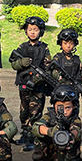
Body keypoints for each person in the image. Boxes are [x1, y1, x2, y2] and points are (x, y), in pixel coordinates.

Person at [9, 16, 51, 152]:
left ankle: (33, 137)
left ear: (41, 31)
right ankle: (25, 134)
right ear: (26, 31)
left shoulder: (44, 48)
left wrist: (37, 79)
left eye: (36, 29)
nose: (33, 32)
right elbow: (13, 63)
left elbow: (47, 68)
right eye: (30, 29)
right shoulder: (22, 47)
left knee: (35, 112)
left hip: (38, 87)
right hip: (23, 84)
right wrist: (21, 63)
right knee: (24, 111)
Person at [31, 85, 82, 161]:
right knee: (40, 136)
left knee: (76, 139)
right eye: (60, 107)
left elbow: (76, 130)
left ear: (74, 106)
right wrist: (50, 132)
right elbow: (36, 127)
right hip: (50, 152)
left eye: (68, 108)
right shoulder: (49, 116)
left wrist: (71, 137)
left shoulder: (74, 119)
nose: (64, 111)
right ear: (54, 105)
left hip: (66, 152)